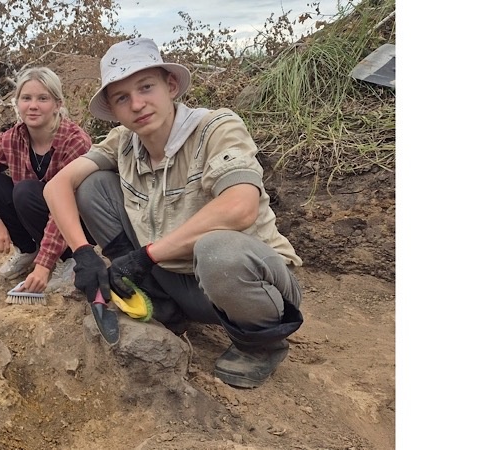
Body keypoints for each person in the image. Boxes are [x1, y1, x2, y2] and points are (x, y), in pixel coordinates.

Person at [44, 38, 304, 389]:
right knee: (93, 186)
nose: (137, 104)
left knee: (217, 250)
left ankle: (261, 343)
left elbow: (240, 207)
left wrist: (146, 256)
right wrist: (83, 253)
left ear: (170, 86)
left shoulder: (217, 128)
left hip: (251, 285)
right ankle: (161, 304)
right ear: (114, 109)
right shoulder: (124, 142)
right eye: (122, 98)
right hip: (177, 280)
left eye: (146, 87)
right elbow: (56, 186)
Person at [0, 67, 92, 294]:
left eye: (43, 98)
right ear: (17, 103)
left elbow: (66, 206)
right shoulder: (12, 138)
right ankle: (27, 249)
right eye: (26, 98)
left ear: (58, 104)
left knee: (26, 191)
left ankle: (70, 260)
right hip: (39, 216)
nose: (33, 106)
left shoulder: (75, 142)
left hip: (78, 223)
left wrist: (43, 266)